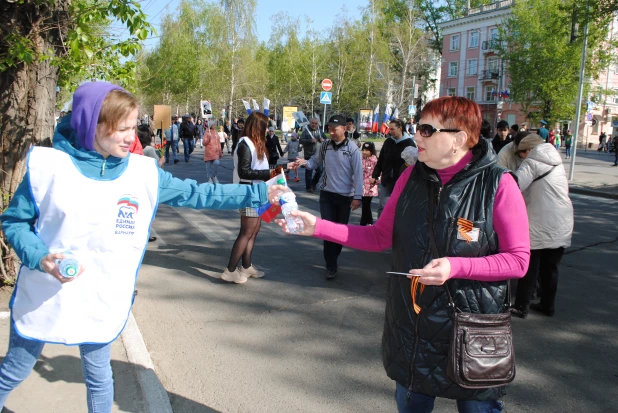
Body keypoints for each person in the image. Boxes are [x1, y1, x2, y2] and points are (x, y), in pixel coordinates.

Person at [0, 82, 283, 413]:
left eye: (133, 127)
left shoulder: (141, 172)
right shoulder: (46, 168)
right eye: (121, 128)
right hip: (45, 292)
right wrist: (40, 257)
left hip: (102, 295)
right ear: (91, 125)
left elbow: (198, 193)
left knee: (99, 377)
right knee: (14, 370)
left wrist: (259, 193)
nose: (129, 136)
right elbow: (14, 223)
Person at [279, 96, 530, 412]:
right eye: (417, 127)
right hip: (414, 328)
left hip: (472, 332)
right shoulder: (411, 178)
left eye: (427, 129)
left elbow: (519, 260)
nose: (417, 136)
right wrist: (316, 226)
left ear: (460, 139)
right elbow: (379, 236)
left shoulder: (499, 184)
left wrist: (455, 266)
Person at [510, 135, 573, 318]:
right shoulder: (556, 161)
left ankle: (522, 306)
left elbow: (515, 186)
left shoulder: (532, 162)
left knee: (530, 265)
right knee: (550, 267)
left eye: (522, 153)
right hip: (563, 220)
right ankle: (547, 305)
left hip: (540, 221)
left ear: (529, 150)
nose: (521, 157)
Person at [294, 115, 363, 279]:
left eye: (334, 129)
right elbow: (315, 162)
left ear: (344, 129)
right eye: (329, 129)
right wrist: (304, 163)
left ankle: (333, 257)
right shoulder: (325, 146)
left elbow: (358, 174)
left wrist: (357, 197)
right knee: (327, 232)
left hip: (345, 197)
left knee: (340, 233)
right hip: (327, 195)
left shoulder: (352, 149)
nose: (331, 132)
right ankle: (331, 265)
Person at [223, 112, 273, 284]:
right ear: (258, 127)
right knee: (246, 232)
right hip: (248, 191)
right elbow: (244, 171)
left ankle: (246, 266)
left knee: (253, 231)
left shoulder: (255, 143)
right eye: (265, 127)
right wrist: (270, 173)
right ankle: (230, 270)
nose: (267, 130)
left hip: (258, 191)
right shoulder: (245, 143)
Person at [371, 119, 415, 217]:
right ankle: (379, 229)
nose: (390, 131)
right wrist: (375, 175)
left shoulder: (409, 143)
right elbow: (381, 159)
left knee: (398, 207)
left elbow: (413, 164)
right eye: (389, 129)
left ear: (400, 128)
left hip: (401, 181)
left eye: (392, 129)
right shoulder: (388, 142)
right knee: (383, 206)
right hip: (387, 180)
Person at [299, 118, 326, 193]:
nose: (314, 124)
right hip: (309, 154)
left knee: (320, 171)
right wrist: (310, 141)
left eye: (315, 123)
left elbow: (326, 139)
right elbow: (301, 140)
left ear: (318, 124)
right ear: (310, 123)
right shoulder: (306, 131)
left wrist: (323, 139)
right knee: (309, 172)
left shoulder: (320, 131)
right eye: (312, 123)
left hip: (318, 154)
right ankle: (309, 187)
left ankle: (313, 183)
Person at [360, 141, 378, 226]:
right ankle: (370, 222)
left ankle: (363, 223)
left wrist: (375, 179)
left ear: (371, 151)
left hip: (370, 187)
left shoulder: (375, 161)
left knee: (365, 204)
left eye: (367, 150)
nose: (364, 152)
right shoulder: (361, 160)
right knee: (365, 205)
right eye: (363, 150)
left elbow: (379, 173)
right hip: (362, 186)